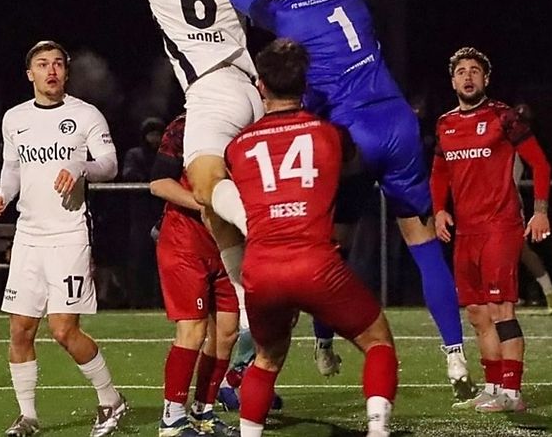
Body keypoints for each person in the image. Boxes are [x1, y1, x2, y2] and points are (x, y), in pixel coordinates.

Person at [213, 0, 470, 397]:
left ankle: (324, 343)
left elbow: (250, 0)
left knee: (328, 243)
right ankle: (455, 355)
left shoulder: (290, 15)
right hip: (398, 124)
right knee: (422, 243)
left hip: (351, 135)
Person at [225, 39, 398, 436]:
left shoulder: (237, 146)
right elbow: (354, 173)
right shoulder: (331, 135)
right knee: (378, 342)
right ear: (305, 85)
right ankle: (378, 430)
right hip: (315, 263)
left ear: (260, 85)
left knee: (266, 359)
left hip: (262, 268)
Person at [94, 0, 263, 290]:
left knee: (205, 187)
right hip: (255, 93)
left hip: (211, 94)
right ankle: (248, 308)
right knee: (221, 207)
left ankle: (262, 230)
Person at [0, 41, 127, 437]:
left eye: (57, 64)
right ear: (29, 73)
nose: (51, 70)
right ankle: (28, 416)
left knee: (64, 330)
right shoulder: (15, 118)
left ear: (66, 72)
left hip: (69, 235)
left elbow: (110, 165)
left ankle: (111, 399)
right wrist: (4, 195)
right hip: (28, 236)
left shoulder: (85, 115)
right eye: (42, 64)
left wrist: (80, 166)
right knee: (20, 330)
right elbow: (12, 167)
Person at [431, 47, 552, 413]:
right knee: (477, 314)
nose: (468, 77)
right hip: (465, 232)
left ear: (486, 78)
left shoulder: (504, 117)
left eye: (474, 71)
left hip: (500, 226)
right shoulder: (445, 123)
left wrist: (540, 212)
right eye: (461, 71)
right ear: (452, 81)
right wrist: (439, 210)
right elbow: (439, 172)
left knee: (501, 309)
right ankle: (493, 387)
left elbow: (540, 164)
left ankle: (512, 393)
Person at [150, 112, 238, 436]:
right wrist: (203, 204)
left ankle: (204, 411)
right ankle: (172, 418)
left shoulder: (247, 122)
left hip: (229, 241)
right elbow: (159, 183)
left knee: (228, 332)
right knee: (193, 330)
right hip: (186, 241)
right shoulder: (184, 125)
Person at [512, 103, 552, 314]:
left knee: (520, 250)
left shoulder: (519, 143)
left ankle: (548, 290)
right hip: (484, 202)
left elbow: (540, 165)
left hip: (508, 203)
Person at [123, 117, 166, 308]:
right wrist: (151, 182)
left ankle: (161, 301)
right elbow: (129, 174)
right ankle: (138, 301)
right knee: (140, 260)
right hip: (141, 215)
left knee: (163, 261)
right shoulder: (135, 155)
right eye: (151, 134)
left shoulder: (166, 155)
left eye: (158, 134)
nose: (154, 138)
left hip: (163, 213)